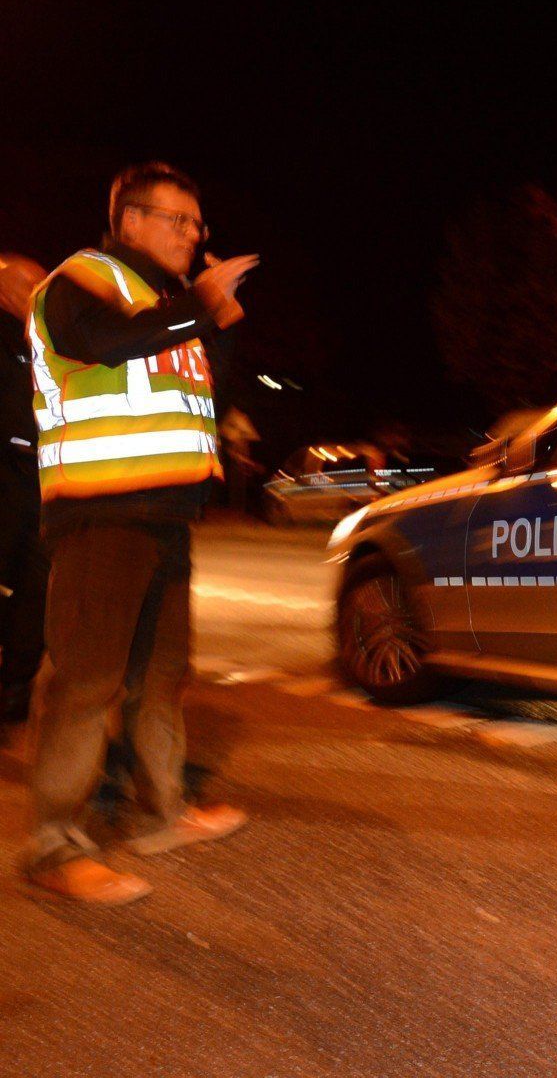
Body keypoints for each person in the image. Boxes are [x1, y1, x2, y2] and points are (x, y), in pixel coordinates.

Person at [22, 162, 259, 905]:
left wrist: (219, 322)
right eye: (177, 220)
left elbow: (202, 394)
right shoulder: (81, 280)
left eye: (197, 223)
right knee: (86, 680)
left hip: (167, 515)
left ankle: (163, 810)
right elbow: (103, 341)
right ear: (129, 220)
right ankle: (54, 843)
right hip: (101, 511)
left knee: (162, 676)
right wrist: (199, 305)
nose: (192, 234)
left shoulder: (168, 306)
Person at [0, 254, 48, 725]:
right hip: (7, 477)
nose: (38, 293)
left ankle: (16, 685)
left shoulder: (52, 340)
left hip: (42, 480)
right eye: (28, 286)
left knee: (36, 586)